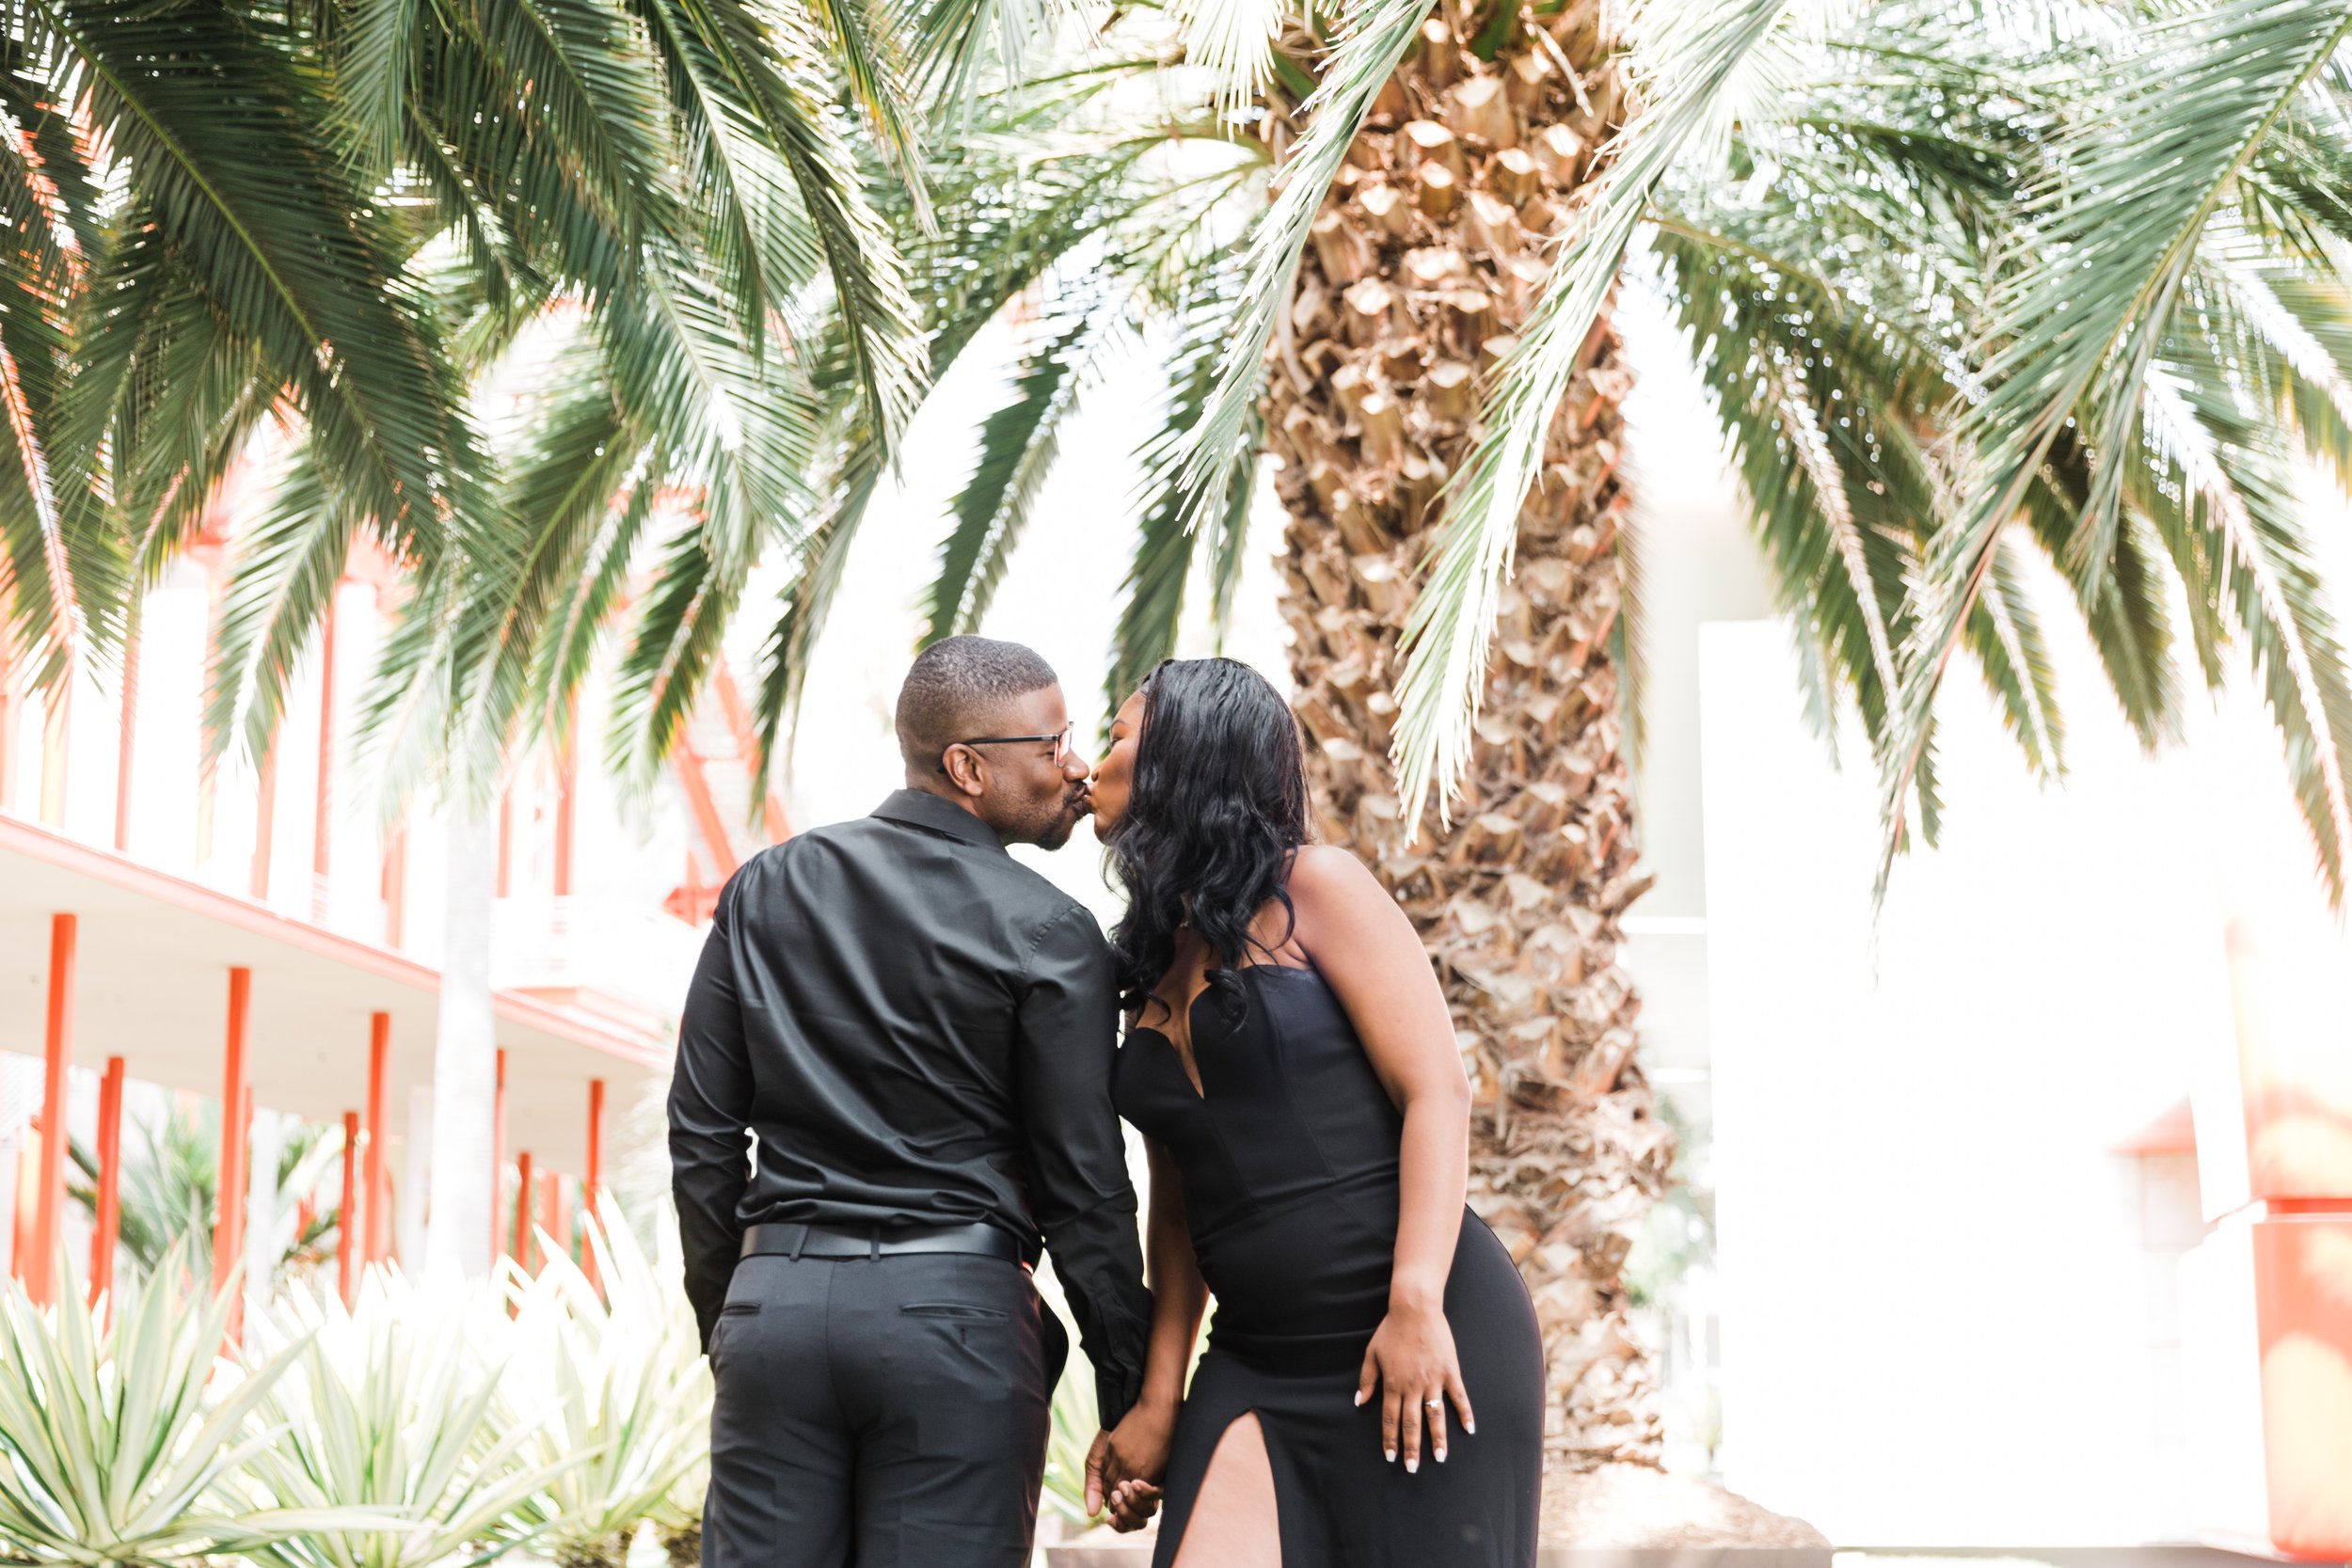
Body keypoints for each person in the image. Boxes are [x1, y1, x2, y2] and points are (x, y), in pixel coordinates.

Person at [668, 636, 1155, 1568]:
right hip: (953, 1321)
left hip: (779, 1309)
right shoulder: (1050, 931)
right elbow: (1082, 1180)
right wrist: (1128, 1387)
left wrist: (730, 1313)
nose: (1076, 764)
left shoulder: (766, 885)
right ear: (968, 766)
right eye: (1050, 745)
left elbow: (701, 1131)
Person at [1082, 657, 1545, 1567]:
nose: (1092, 761)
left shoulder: (1316, 888)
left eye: (1118, 736)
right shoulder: (1146, 960)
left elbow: (1436, 1091)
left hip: (1414, 1324)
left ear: (1183, 758)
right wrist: (1160, 1395)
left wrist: (1415, 1302)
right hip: (1255, 1354)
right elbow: (1177, 1203)